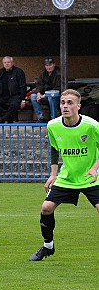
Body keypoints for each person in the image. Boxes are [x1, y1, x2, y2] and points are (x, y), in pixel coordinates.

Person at [29, 88, 99, 261]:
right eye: (62, 102)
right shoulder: (53, 125)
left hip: (91, 177)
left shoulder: (91, 126)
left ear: (78, 106)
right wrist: (53, 174)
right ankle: (48, 247)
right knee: (46, 208)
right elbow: (54, 149)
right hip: (67, 176)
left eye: (70, 103)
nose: (65, 106)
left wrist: (94, 168)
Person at [0, 56, 27, 123]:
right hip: (2, 96)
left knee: (14, 105)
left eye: (8, 62)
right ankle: (8, 117)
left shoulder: (19, 72)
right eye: (5, 62)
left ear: (12, 63)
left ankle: (3, 119)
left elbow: (23, 87)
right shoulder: (0, 73)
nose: (7, 64)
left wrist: (23, 99)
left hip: (14, 96)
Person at [30, 57, 62, 122]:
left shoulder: (59, 73)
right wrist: (38, 93)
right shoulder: (43, 73)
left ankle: (54, 118)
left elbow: (58, 88)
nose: (48, 67)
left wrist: (46, 95)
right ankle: (41, 118)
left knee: (51, 97)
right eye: (47, 65)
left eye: (50, 65)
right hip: (44, 96)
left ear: (54, 64)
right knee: (33, 96)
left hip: (56, 96)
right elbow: (39, 84)